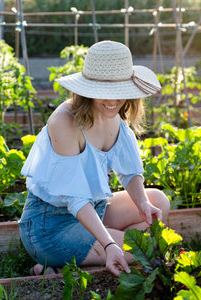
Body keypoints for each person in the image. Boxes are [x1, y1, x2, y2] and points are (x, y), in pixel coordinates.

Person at [19, 40, 170, 277]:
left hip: (94, 210)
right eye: (104, 92)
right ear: (86, 89)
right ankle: (65, 259)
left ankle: (76, 260)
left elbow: (129, 172)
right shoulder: (65, 122)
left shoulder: (113, 117)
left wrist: (142, 203)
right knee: (148, 249)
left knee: (158, 201)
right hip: (51, 226)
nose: (112, 101)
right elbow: (76, 198)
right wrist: (110, 244)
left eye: (118, 92)